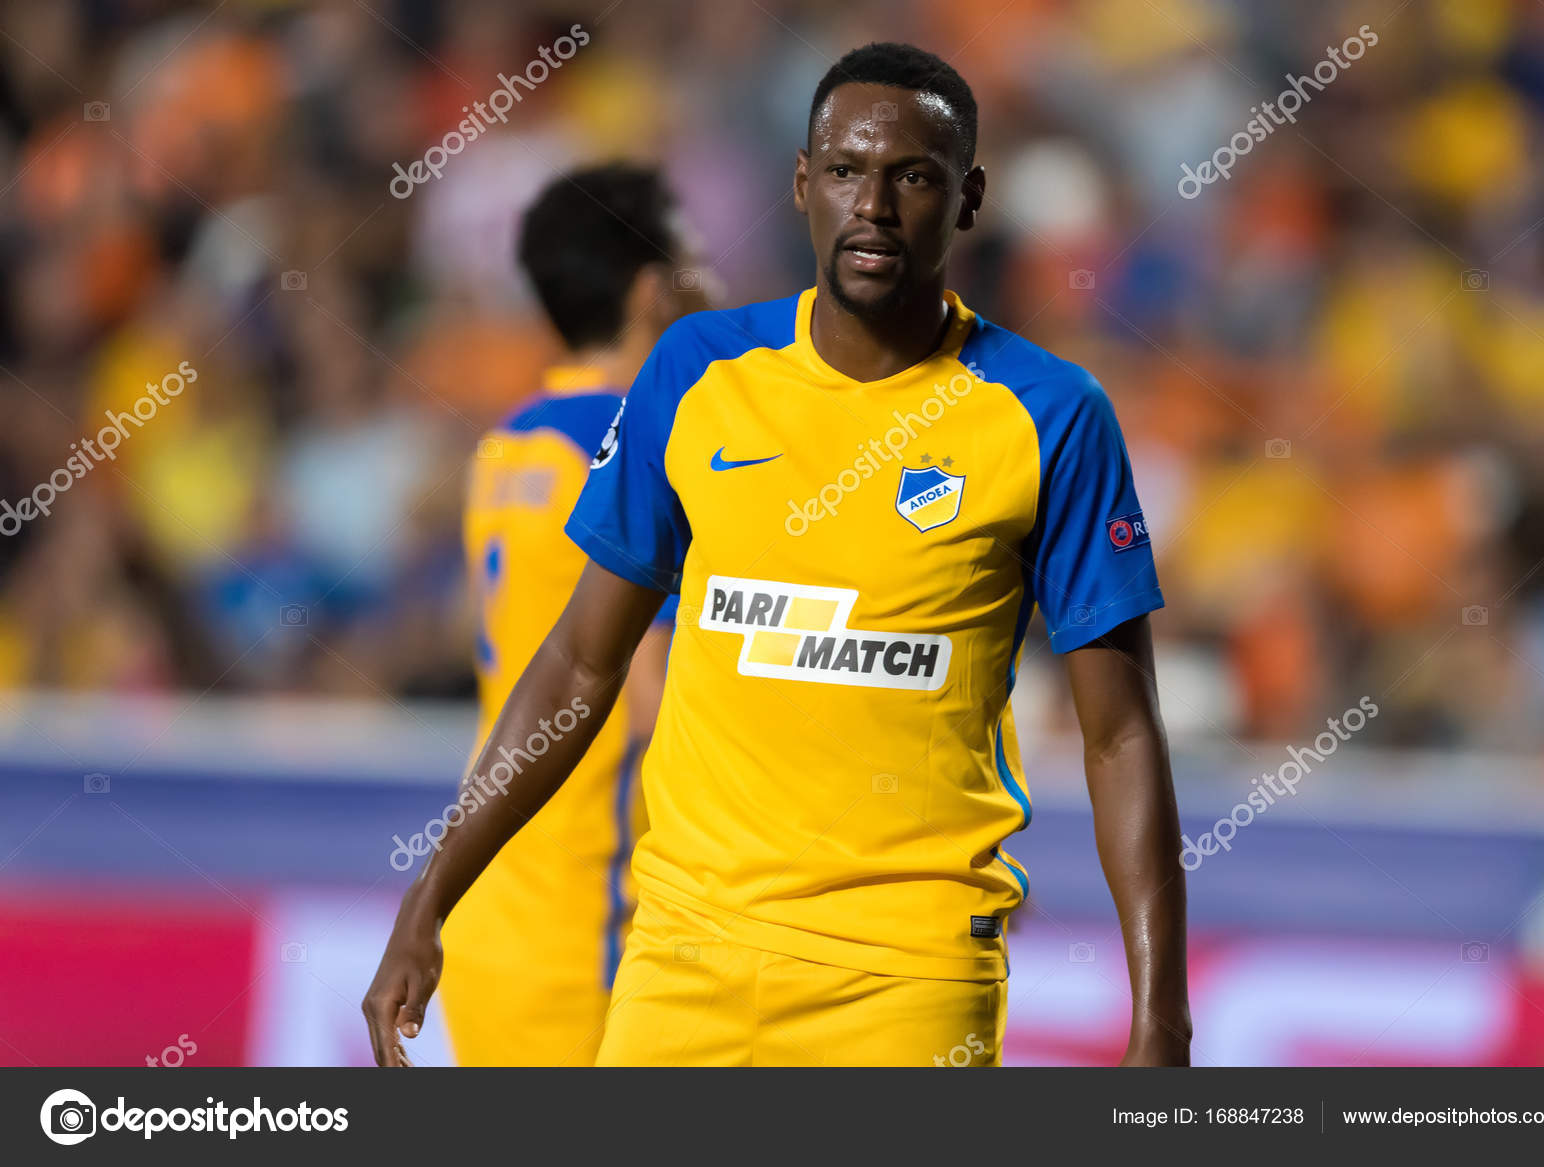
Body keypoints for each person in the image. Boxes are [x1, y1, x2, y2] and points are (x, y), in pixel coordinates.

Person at [366, 42, 1189, 1067]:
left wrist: (1160, 1021)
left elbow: (1119, 737)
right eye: (846, 170)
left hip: (906, 979)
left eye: (915, 176)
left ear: (968, 196)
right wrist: (430, 895)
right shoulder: (699, 373)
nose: (875, 205)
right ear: (803, 183)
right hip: (678, 962)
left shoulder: (1051, 415)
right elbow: (581, 661)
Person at [437, 163, 709, 1065]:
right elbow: (654, 695)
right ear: (648, 289)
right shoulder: (634, 445)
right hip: (591, 933)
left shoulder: (505, 444)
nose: (711, 278)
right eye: (693, 256)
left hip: (492, 919)